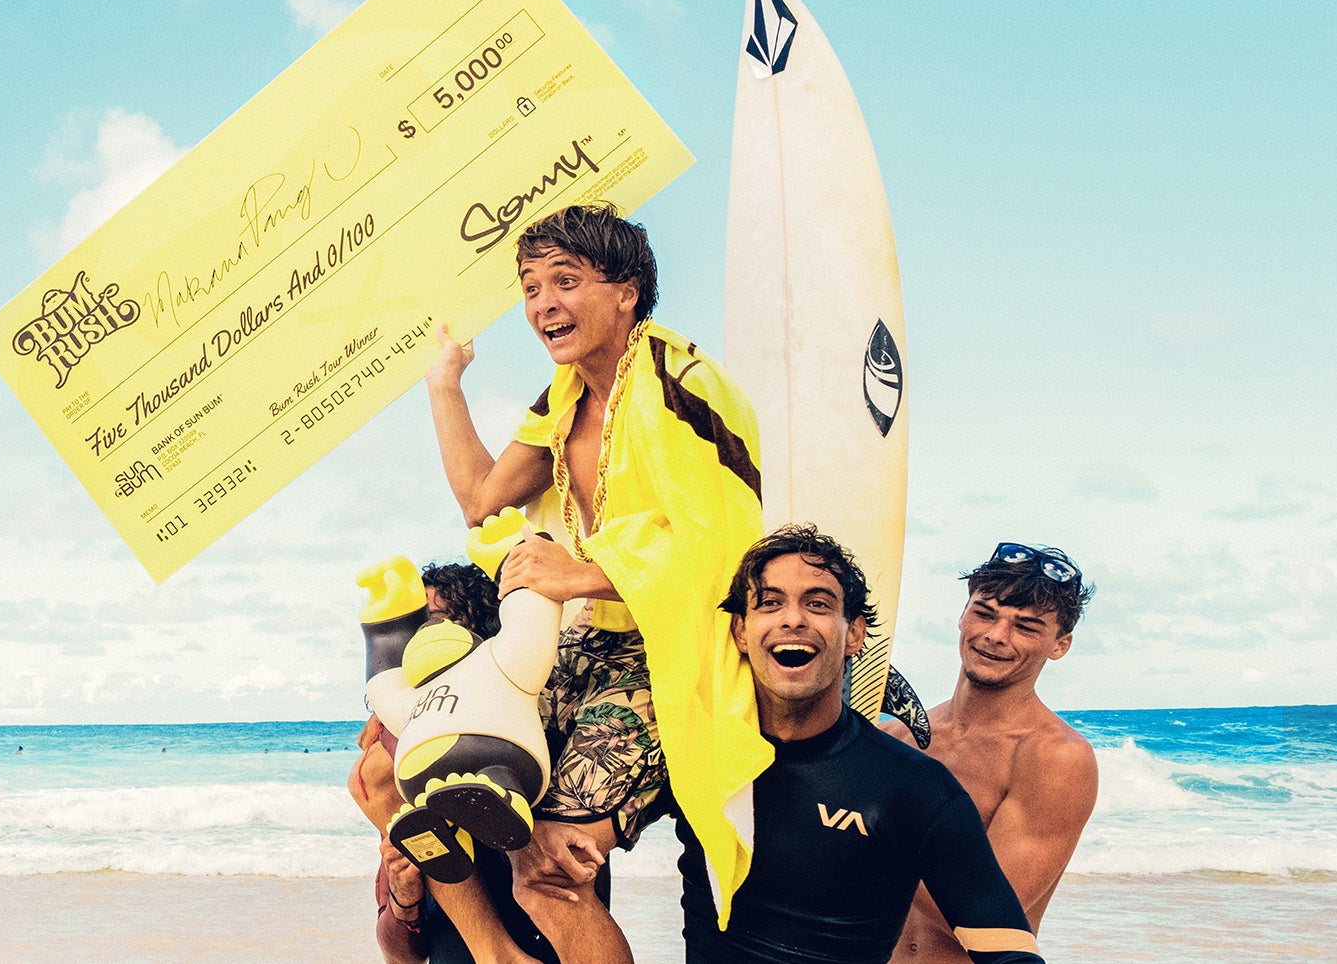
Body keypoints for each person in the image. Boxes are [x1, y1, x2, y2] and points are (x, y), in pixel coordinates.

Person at [425, 202, 768, 964]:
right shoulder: (563, 398)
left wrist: (580, 573)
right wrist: (445, 384)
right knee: (439, 769)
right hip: (589, 640)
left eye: (566, 280)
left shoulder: (683, 382)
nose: (543, 303)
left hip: (671, 648)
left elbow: (727, 548)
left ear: (627, 293)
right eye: (530, 287)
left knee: (551, 870)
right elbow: (481, 500)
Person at [677, 524, 1049, 964]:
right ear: (740, 631)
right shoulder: (689, 752)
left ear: (855, 633)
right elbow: (598, 845)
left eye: (818, 604)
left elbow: (1010, 951)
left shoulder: (915, 788)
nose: (792, 619)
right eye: (770, 602)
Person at [887, 544, 1098, 962]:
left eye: (1026, 627)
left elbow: (987, 918)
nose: (997, 636)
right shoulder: (896, 735)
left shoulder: (1055, 757)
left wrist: (866, 823)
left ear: (1060, 645)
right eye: (985, 613)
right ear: (962, 615)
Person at [351, 561, 570, 964]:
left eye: (436, 620)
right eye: (412, 628)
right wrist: (404, 899)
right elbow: (402, 955)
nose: (421, 639)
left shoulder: (542, 735)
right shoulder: (405, 771)